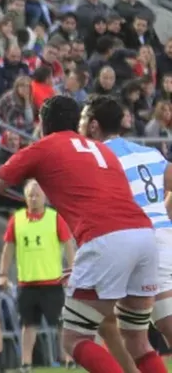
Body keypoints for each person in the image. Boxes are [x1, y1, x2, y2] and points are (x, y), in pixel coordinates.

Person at [0, 95, 159, 373]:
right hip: (143, 235)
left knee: (75, 337)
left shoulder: (44, 147)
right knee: (138, 341)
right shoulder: (102, 150)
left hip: (106, 239)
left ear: (42, 124)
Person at [86, 96, 172, 346]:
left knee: (126, 334)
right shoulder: (148, 152)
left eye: (82, 120)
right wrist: (163, 213)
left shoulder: (98, 157)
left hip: (130, 242)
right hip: (163, 238)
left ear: (93, 125)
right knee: (167, 322)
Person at [0, 181, 75, 371]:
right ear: (25, 197)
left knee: (60, 324)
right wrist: (3, 274)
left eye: (37, 195)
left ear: (45, 197)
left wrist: (72, 270)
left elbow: (68, 244)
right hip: (27, 282)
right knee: (28, 324)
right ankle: (26, 363)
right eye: (30, 195)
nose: (33, 198)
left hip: (52, 281)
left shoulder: (54, 218)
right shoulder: (17, 220)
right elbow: (8, 248)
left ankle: (68, 359)